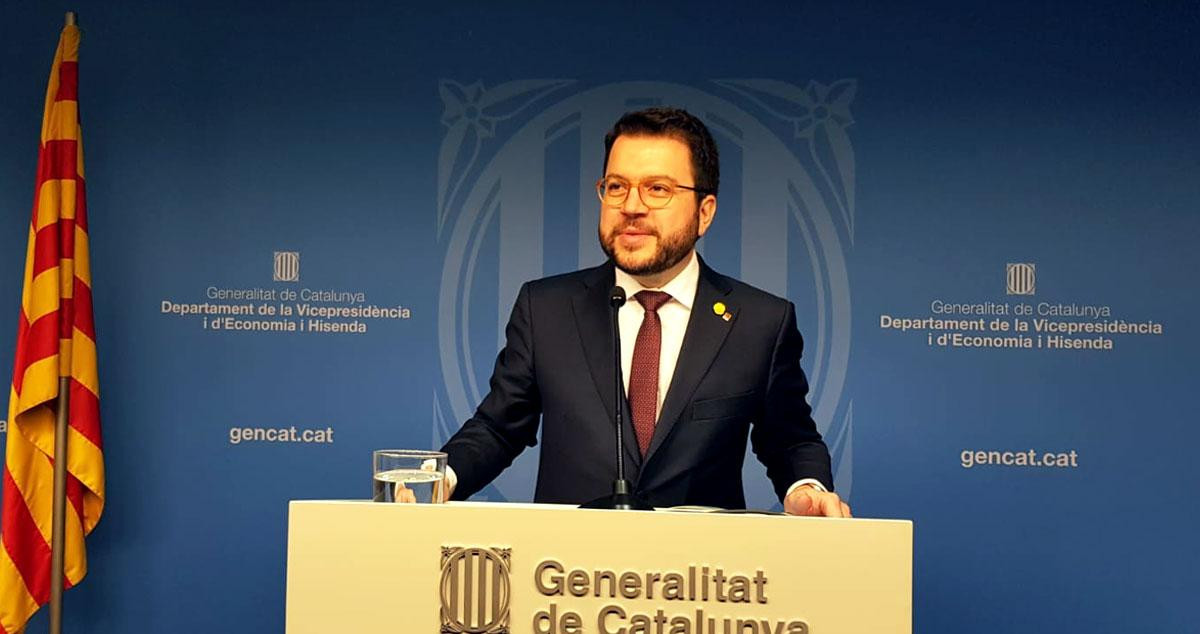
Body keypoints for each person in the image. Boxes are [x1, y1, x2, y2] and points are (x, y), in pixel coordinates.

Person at [439, 107, 850, 517]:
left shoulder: (760, 322)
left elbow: (790, 441)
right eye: (617, 186)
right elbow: (497, 428)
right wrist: (441, 478)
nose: (631, 206)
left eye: (657, 189)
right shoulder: (546, 309)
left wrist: (805, 490)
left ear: (704, 212)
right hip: (566, 572)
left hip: (701, 574)